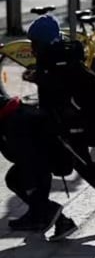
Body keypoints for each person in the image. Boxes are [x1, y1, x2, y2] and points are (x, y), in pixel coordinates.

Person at [24, 15, 95, 238]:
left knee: (54, 166)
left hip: (68, 128)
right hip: (74, 125)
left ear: (42, 43)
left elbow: (55, 95)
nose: (31, 49)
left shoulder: (52, 62)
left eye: (34, 44)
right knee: (83, 166)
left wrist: (40, 80)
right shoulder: (63, 56)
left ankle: (51, 215)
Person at [0, 89, 74, 239]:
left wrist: (30, 185)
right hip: (43, 155)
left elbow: (29, 158)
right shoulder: (12, 115)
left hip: (48, 157)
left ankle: (55, 216)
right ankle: (39, 216)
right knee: (18, 177)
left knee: (19, 179)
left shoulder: (14, 124)